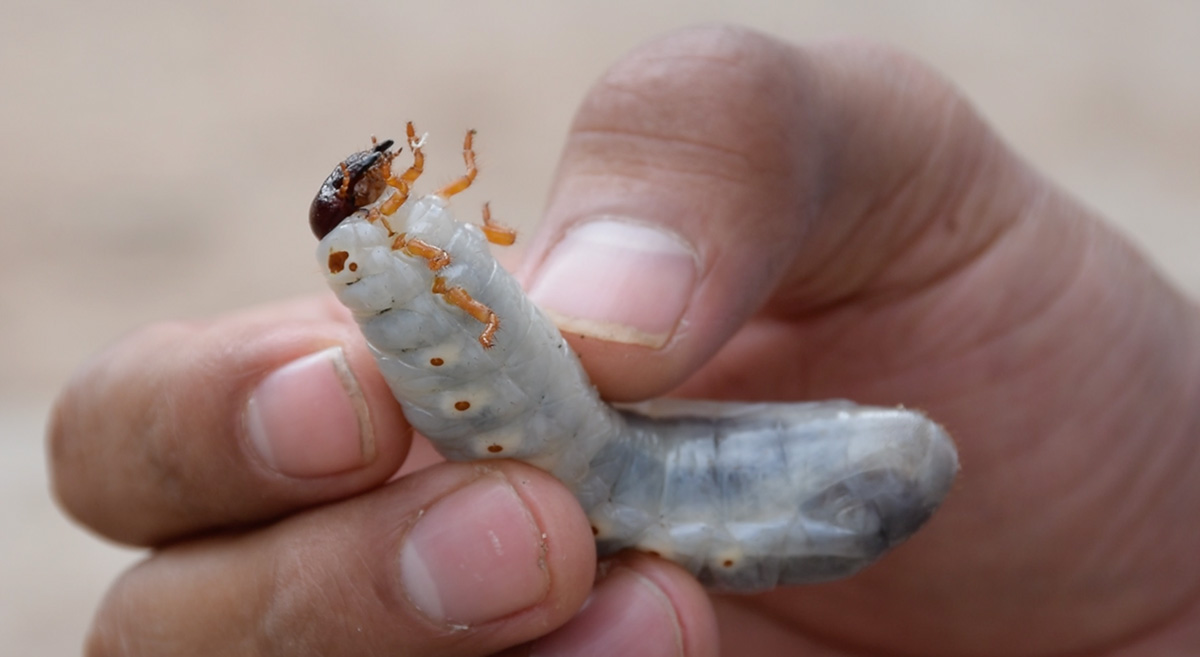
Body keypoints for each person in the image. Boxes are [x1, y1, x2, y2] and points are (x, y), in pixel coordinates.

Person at [47, 25, 1200, 656]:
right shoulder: (401, 279)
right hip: (601, 460)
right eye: (365, 189)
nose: (375, 182)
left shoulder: (418, 258)